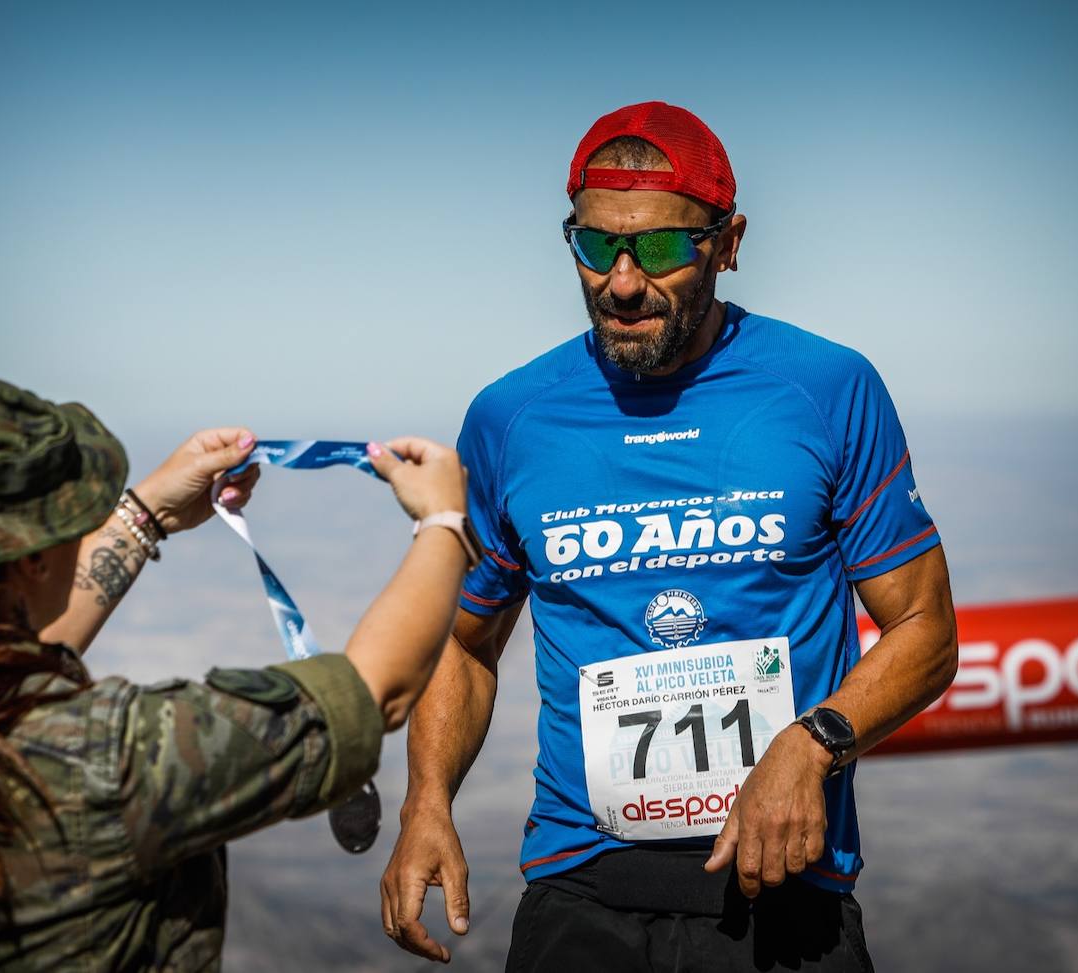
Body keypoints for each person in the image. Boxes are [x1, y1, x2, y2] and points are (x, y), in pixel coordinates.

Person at [380, 102, 958, 971]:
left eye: (656, 249)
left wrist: (815, 743)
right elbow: (465, 641)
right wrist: (426, 799)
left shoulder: (826, 388)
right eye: (594, 244)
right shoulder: (512, 418)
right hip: (582, 885)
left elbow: (926, 630)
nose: (620, 279)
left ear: (727, 244)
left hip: (784, 878)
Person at [0, 376, 473, 970]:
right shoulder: (110, 761)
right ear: (30, 564)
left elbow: (9, 647)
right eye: (71, 528)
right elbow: (371, 692)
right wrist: (442, 521)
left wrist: (151, 511)